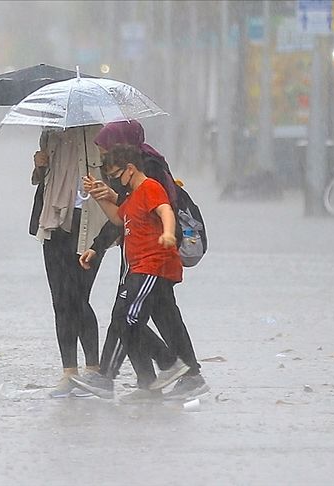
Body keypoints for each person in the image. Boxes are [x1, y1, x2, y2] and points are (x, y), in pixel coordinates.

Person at [78, 120, 209, 401]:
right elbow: (124, 214)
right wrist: (98, 242)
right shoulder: (135, 170)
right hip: (141, 257)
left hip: (152, 259)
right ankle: (161, 380)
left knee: (127, 317)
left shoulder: (148, 171)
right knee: (159, 317)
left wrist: (167, 237)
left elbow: (160, 209)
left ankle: (122, 376)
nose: (105, 164)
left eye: (106, 156)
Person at [30, 125, 111, 398]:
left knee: (78, 297)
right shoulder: (49, 133)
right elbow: (42, 180)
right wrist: (40, 166)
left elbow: (115, 178)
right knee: (60, 300)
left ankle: (93, 368)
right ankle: (69, 372)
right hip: (54, 222)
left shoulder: (99, 134)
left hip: (89, 223)